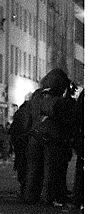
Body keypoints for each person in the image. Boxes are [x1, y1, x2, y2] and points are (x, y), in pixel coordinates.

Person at [24, 68, 73, 205]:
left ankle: (30, 196)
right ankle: (48, 197)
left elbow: (30, 116)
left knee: (33, 169)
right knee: (50, 170)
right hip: (52, 138)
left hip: (34, 135)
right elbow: (65, 120)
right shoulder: (59, 101)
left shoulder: (36, 96)